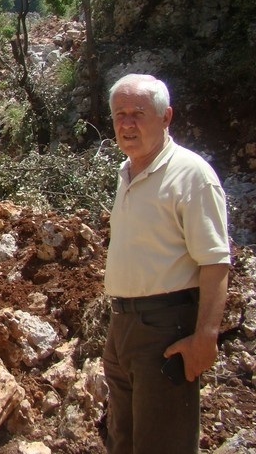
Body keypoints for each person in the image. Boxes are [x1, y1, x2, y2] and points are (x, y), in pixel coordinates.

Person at [103, 74, 230, 454]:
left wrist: (205, 337)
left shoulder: (191, 175)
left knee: (162, 444)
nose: (127, 124)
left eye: (138, 114)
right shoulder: (127, 172)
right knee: (123, 439)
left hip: (165, 329)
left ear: (166, 117)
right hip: (123, 325)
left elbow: (215, 261)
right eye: (119, 114)